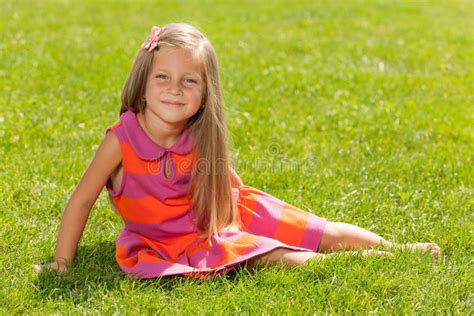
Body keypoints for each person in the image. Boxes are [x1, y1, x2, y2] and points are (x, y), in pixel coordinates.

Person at [34, 23, 440, 279]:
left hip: (226, 209)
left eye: (190, 81)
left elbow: (220, 178)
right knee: (276, 256)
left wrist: (252, 213)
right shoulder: (120, 140)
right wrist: (62, 263)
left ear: (206, 93)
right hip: (180, 239)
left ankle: (395, 248)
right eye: (163, 77)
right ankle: (365, 264)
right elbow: (81, 200)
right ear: (142, 82)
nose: (175, 89)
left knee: (319, 230)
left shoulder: (199, 133)